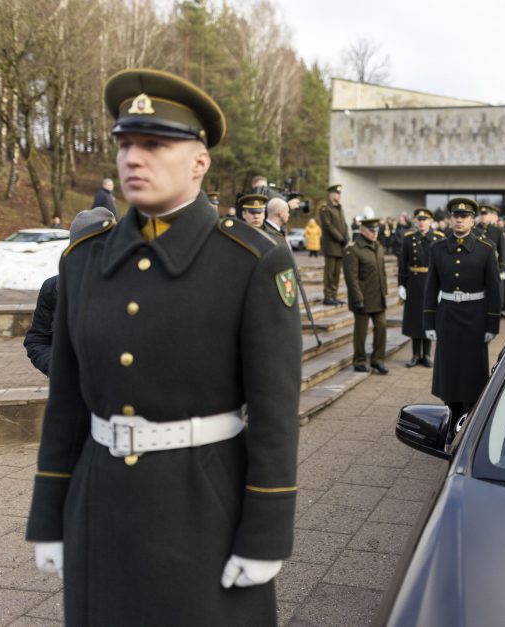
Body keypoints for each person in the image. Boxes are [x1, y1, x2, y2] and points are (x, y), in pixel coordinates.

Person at [25, 69, 302, 626]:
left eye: (154, 144)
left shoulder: (249, 261)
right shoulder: (83, 260)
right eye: (126, 143)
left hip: (204, 508)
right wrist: (50, 514)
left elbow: (275, 413)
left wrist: (266, 532)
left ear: (200, 161)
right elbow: (67, 405)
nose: (133, 157)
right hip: (99, 504)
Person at [424, 197, 502, 421]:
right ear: (450, 219)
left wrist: (492, 324)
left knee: (472, 370)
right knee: (449, 369)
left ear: (472, 221)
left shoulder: (486, 248)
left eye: (465, 216)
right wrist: (428, 322)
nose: (459, 220)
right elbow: (431, 287)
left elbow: (494, 289)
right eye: (456, 216)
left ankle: (468, 420)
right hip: (447, 315)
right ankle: (451, 417)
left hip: (474, 317)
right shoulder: (437, 248)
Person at [24, 208, 118, 377]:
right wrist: (57, 367)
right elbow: (37, 340)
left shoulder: (132, 285)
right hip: (72, 394)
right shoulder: (53, 288)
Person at [399, 208, 444, 367]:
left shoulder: (439, 238)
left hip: (431, 283)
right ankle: (415, 354)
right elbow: (403, 264)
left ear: (431, 221)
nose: (421, 222)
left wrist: (443, 286)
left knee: (429, 317)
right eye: (419, 219)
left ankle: (427, 354)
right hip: (414, 283)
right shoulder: (408, 239)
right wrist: (401, 285)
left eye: (425, 219)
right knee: (415, 320)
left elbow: (442, 265)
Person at [343, 217, 389, 374]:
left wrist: (385, 292)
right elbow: (351, 277)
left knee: (381, 327)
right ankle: (360, 360)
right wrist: (358, 298)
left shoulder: (378, 246)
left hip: (378, 296)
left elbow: (382, 272)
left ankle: (377, 360)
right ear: (362, 230)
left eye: (377, 230)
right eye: (371, 230)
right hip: (362, 298)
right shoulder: (353, 249)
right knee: (361, 332)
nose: (375, 233)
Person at [318, 184, 348, 306]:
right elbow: (328, 226)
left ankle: (334, 295)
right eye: (336, 193)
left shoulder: (339, 208)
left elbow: (344, 224)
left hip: (340, 246)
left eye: (339, 194)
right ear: (330, 194)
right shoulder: (325, 209)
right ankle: (328, 295)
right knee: (329, 272)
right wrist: (341, 238)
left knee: (336, 273)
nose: (338, 196)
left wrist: (346, 236)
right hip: (331, 245)